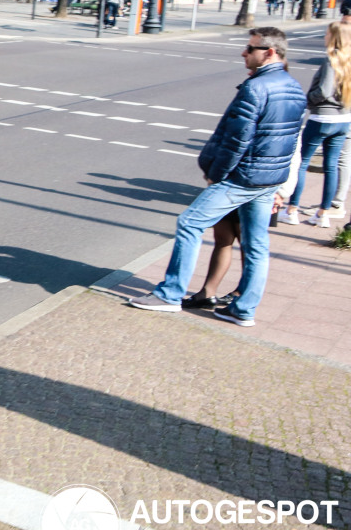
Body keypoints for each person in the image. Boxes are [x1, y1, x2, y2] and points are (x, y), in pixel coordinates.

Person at [129, 27, 305, 327]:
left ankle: (170, 294)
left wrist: (217, 174)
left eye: (251, 48)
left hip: (244, 176)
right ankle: (244, 309)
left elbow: (237, 139)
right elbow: (289, 140)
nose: (244, 53)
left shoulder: (256, 88)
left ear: (270, 52)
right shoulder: (294, 87)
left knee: (190, 222)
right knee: (256, 244)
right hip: (269, 178)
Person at [279, 22, 351, 228]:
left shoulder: (331, 60)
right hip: (343, 120)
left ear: (335, 37)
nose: (325, 36)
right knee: (331, 166)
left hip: (323, 118)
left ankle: (291, 210)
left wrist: (308, 99)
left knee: (302, 162)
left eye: (327, 33)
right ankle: (323, 214)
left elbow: (324, 91)